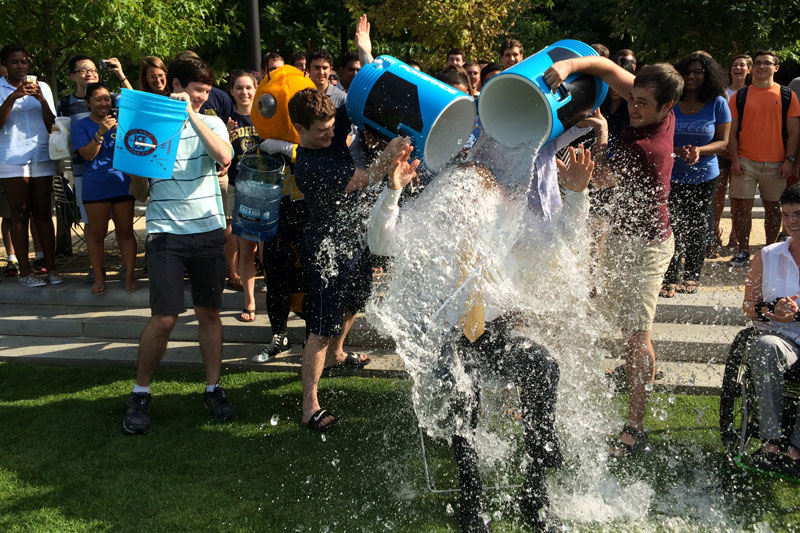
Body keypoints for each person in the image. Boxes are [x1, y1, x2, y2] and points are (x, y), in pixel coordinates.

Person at [367, 132, 602, 532]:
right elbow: (381, 243)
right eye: (462, 193)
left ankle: (536, 488)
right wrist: (391, 193)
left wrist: (577, 195)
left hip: (494, 334)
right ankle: (471, 499)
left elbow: (563, 246)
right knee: (464, 389)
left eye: (479, 193)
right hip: (442, 338)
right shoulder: (431, 223)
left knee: (543, 365)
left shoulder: (509, 223)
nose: (468, 202)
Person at [545, 57, 683, 457]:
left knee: (636, 338)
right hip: (621, 237)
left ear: (666, 108)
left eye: (642, 103)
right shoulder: (656, 111)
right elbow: (605, 67)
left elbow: (590, 180)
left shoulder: (645, 147)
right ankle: (557, 391)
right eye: (632, 98)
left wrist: (558, 159)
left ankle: (635, 427)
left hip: (648, 249)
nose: (633, 107)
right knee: (585, 309)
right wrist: (569, 66)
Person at [122, 57, 235, 435]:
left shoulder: (212, 121)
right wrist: (137, 168)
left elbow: (224, 157)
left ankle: (213, 389)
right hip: (165, 232)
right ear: (176, 84)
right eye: (196, 90)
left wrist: (191, 115)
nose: (203, 97)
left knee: (209, 313)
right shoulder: (151, 121)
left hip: (207, 230)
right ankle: (140, 393)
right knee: (165, 317)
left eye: (206, 91)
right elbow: (138, 190)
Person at [289, 87, 407, 431]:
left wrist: (366, 56)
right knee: (321, 328)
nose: (330, 134)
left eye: (331, 127)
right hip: (326, 250)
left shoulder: (331, 125)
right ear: (299, 128)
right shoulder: (309, 167)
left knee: (356, 300)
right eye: (322, 131)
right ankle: (309, 406)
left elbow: (362, 96)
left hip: (356, 240)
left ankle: (339, 354)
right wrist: (387, 157)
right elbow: (365, 178)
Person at [660, 53, 730, 297]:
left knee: (697, 225)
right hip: (671, 174)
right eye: (688, 71)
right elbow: (659, 136)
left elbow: (723, 142)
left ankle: (692, 274)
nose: (692, 76)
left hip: (705, 175)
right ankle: (670, 276)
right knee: (671, 225)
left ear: (707, 75)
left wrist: (700, 150)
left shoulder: (718, 103)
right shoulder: (671, 101)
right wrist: (677, 151)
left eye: (698, 71)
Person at [742, 183, 800, 478]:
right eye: (787, 215)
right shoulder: (767, 255)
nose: (792, 222)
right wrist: (772, 309)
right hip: (780, 340)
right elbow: (748, 307)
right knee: (764, 345)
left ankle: (797, 447)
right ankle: (771, 442)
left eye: (798, 214)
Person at [727, 50, 800, 267]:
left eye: (767, 63)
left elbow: (794, 132)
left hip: (777, 162)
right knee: (741, 208)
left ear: (776, 68)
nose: (761, 66)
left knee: (774, 209)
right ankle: (742, 250)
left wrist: (789, 160)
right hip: (745, 160)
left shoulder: (787, 96)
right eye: (757, 63)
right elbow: (731, 131)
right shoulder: (739, 96)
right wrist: (734, 159)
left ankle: (769, 250)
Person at [0, 44, 60, 287]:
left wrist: (41, 99)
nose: (21, 67)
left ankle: (51, 269)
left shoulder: (42, 86)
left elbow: (52, 124)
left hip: (41, 155)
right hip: (11, 158)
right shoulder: (2, 89)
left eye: (24, 62)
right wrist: (13, 97)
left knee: (43, 213)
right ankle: (25, 272)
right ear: (5, 64)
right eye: (15, 62)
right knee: (19, 213)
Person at [71, 82, 137, 294]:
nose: (103, 103)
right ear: (88, 103)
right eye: (98, 99)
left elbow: (135, 151)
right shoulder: (80, 126)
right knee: (97, 234)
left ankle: (129, 275)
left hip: (121, 182)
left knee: (126, 232)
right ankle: (99, 278)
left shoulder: (122, 123)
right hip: (96, 185)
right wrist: (100, 133)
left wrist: (123, 134)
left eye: (107, 99)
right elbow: (88, 155)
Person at [226, 70, 261, 322]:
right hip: (240, 190)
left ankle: (274, 297)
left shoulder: (269, 117)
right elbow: (221, 158)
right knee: (246, 248)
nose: (244, 92)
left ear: (256, 88)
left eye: (248, 87)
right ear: (231, 91)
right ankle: (249, 300)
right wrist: (226, 137)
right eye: (239, 88)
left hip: (269, 191)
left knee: (268, 250)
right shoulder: (226, 120)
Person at [710, 54, 752, 256]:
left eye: (742, 65)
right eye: (735, 64)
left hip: (743, 150)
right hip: (719, 149)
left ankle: (735, 237)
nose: (738, 68)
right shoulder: (721, 91)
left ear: (748, 70)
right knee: (717, 195)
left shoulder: (752, 93)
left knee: (738, 197)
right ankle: (713, 235)